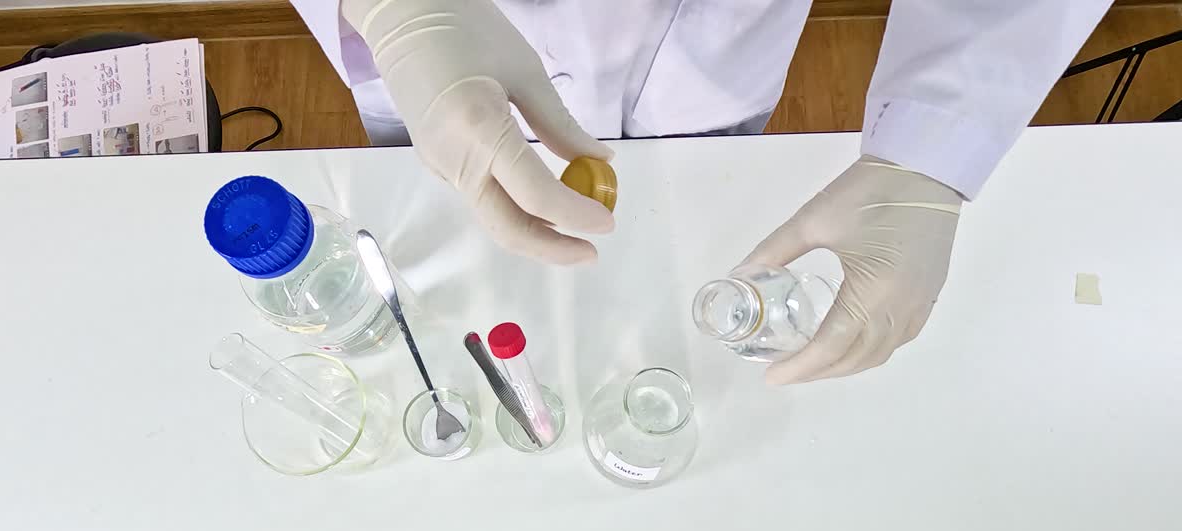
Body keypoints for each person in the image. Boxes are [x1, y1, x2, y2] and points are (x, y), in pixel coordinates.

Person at [289, 0, 1111, 384]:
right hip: (435, 46)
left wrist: (934, 145)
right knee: (450, 199)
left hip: (701, 72)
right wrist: (395, 10)